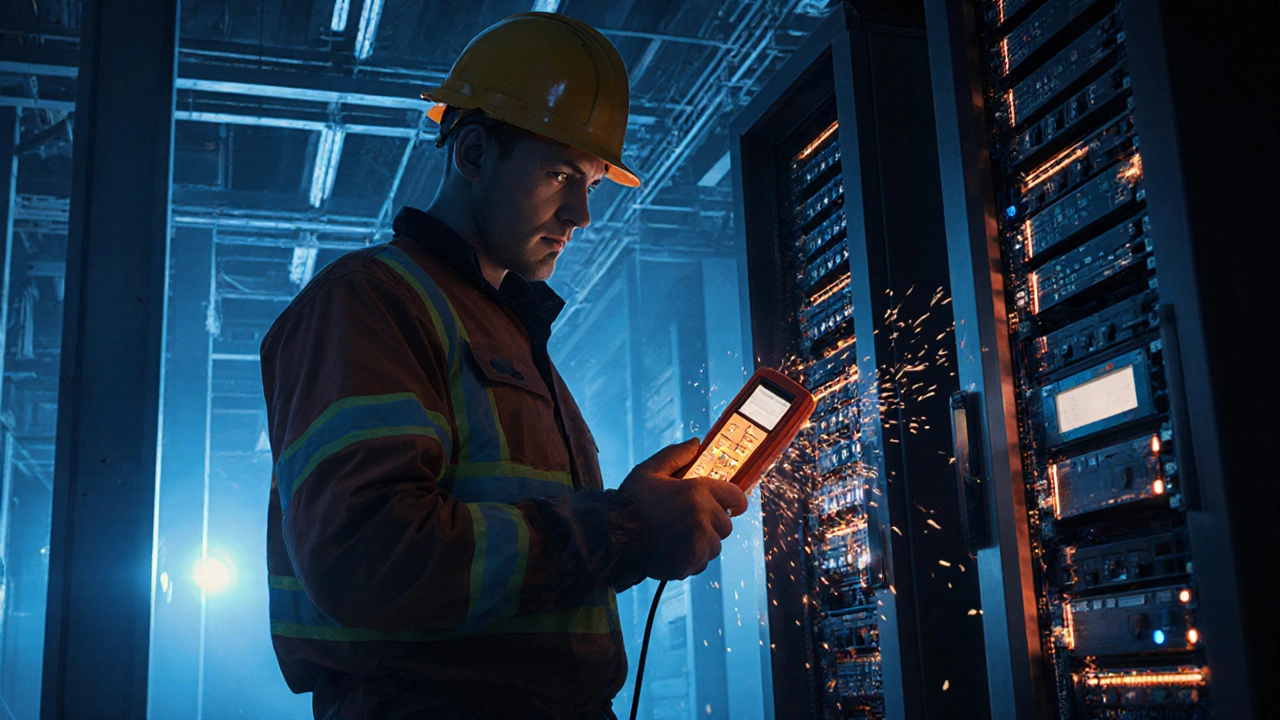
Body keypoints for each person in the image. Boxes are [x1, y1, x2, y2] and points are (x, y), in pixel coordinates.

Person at [260, 12, 748, 720]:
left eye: (591, 182)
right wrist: (629, 527)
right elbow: (369, 556)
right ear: (474, 153)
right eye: (558, 173)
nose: (581, 211)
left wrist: (640, 517)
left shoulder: (502, 327)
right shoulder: (369, 303)